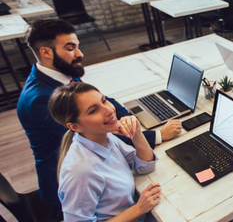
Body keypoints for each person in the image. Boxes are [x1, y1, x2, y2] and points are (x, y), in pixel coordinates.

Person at [16, 19, 181, 210]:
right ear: (45, 52)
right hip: (75, 189)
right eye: (70, 48)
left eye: (77, 46)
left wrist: (128, 120)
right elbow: (99, 132)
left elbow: (103, 101)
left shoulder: (62, 72)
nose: (80, 54)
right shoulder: (40, 100)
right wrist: (157, 135)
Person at [49, 82, 161, 222]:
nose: (109, 110)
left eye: (104, 101)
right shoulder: (81, 170)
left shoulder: (104, 137)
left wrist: (137, 133)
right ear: (75, 126)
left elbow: (144, 166)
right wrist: (138, 209)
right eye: (93, 110)